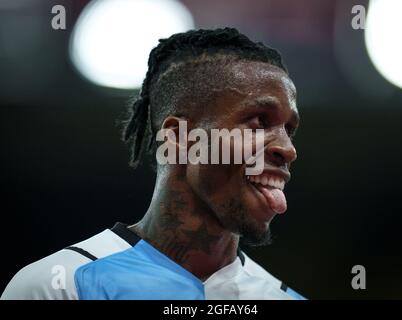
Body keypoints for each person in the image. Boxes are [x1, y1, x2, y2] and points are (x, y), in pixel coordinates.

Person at [1, 27, 304, 300]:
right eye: (258, 123)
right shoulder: (59, 287)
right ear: (180, 138)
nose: (287, 150)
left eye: (288, 130)